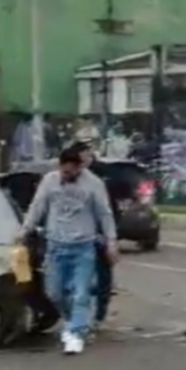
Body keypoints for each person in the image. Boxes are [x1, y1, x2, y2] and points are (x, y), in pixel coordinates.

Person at [18, 146, 119, 355]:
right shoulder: (49, 181)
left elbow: (105, 214)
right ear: (60, 166)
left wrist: (111, 242)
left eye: (72, 172)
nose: (68, 175)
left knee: (81, 293)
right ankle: (72, 321)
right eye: (65, 171)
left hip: (83, 246)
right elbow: (37, 207)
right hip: (55, 246)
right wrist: (25, 230)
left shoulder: (94, 184)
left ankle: (76, 334)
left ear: (80, 168)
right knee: (54, 293)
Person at [69, 140, 117, 324]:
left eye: (91, 154)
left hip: (99, 236)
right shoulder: (67, 177)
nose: (90, 157)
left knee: (103, 275)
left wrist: (110, 237)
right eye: (86, 154)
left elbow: (108, 210)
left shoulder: (101, 176)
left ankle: (99, 314)